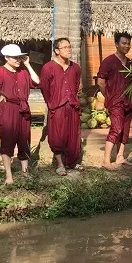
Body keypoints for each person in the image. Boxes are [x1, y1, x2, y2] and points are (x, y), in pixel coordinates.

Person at [0, 44, 40, 185]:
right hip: (8, 109)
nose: (18, 60)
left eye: (19, 57)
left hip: (23, 109)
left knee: (24, 140)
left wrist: (28, 65)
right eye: (14, 57)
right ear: (6, 58)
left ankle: (25, 173)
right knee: (7, 141)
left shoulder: (23, 71)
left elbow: (37, 82)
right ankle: (9, 176)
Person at [40, 38, 82, 176]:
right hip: (56, 107)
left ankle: (72, 162)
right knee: (57, 136)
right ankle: (60, 164)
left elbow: (75, 86)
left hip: (72, 106)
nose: (68, 49)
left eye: (69, 47)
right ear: (57, 51)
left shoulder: (75, 68)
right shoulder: (48, 68)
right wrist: (52, 103)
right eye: (64, 47)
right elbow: (45, 89)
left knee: (73, 136)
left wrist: (72, 100)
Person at [97, 32, 132, 169]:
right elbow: (101, 82)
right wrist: (109, 96)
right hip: (115, 102)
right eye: (124, 43)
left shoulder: (131, 63)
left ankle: (120, 157)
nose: (127, 46)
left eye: (128, 43)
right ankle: (106, 160)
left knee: (125, 129)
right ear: (116, 44)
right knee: (116, 128)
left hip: (128, 101)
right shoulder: (108, 61)